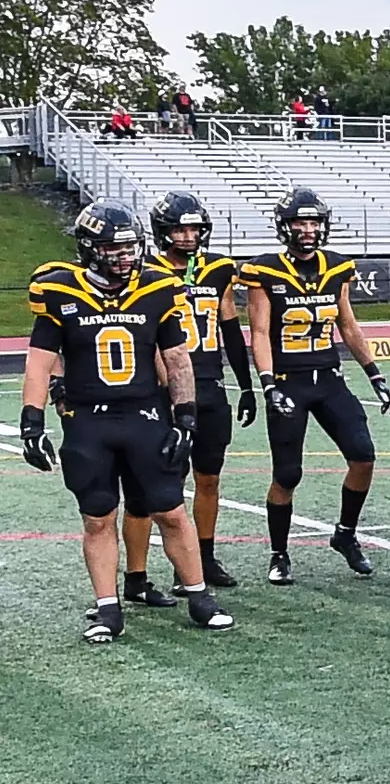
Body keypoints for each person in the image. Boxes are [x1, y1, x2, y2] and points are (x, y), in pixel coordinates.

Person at [20, 203, 235, 643]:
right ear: (88, 249)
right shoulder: (59, 289)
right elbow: (40, 363)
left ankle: (198, 595)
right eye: (112, 248)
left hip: (144, 415)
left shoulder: (157, 288)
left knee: (170, 510)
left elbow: (177, 360)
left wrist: (186, 417)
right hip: (88, 422)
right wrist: (32, 421)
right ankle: (107, 607)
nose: (124, 256)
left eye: (129, 247)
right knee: (98, 518)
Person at [240, 188, 390, 585]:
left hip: (328, 378)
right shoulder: (265, 271)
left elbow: (347, 324)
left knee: (363, 456)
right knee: (288, 473)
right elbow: (259, 332)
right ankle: (279, 553)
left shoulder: (337, 267)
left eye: (313, 223)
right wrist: (267, 384)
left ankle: (345, 534)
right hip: (287, 380)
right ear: (285, 226)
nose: (308, 230)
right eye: (300, 222)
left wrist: (375, 374)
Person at [118, 192, 254, 596]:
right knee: (150, 487)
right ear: (162, 231)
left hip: (209, 383)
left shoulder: (217, 269)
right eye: (179, 228)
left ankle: (201, 559)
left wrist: (245, 384)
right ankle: (137, 576)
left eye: (193, 228)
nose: (188, 235)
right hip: (160, 390)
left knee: (208, 476)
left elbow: (229, 327)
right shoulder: (145, 272)